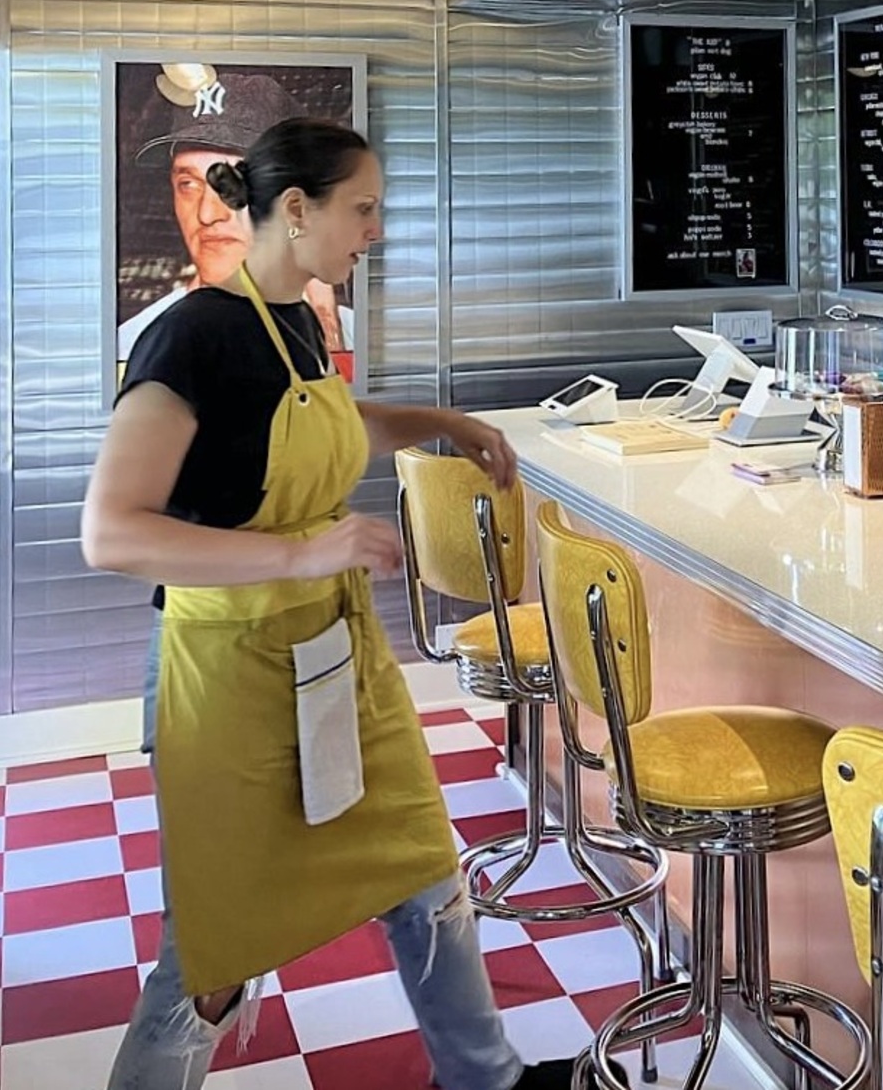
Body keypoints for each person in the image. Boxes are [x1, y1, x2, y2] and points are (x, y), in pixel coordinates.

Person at [84, 118, 573, 1090]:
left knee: (422, 866)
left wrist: (436, 422)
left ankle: (487, 1079)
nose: (374, 231)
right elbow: (113, 532)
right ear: (297, 209)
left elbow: (333, 427)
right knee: (213, 954)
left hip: (326, 654)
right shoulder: (190, 337)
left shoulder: (298, 320)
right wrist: (309, 547)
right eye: (363, 209)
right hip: (225, 678)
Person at [117, 68, 351, 364]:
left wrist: (327, 326)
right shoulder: (133, 348)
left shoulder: (350, 336)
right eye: (188, 184)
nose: (206, 213)